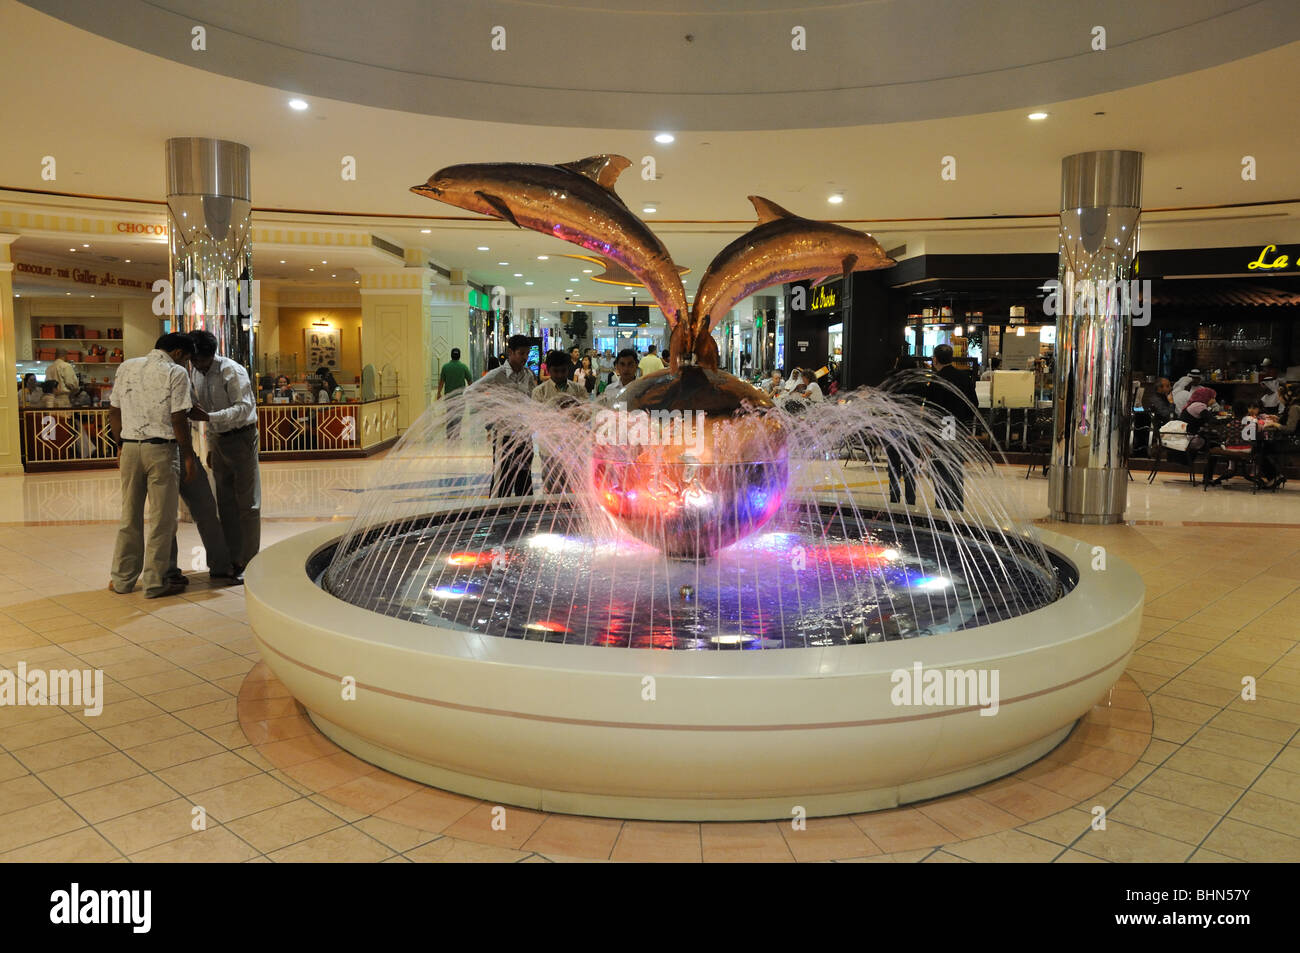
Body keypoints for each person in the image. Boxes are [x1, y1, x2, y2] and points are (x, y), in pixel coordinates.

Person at [106, 333, 199, 599]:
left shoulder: (127, 366)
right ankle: (155, 582)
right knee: (162, 520)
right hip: (161, 450)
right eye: (188, 358)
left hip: (130, 448)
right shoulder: (175, 372)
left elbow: (114, 410)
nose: (187, 364)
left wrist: (121, 444)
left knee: (129, 516)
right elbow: (178, 417)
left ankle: (122, 579)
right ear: (179, 353)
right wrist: (188, 454)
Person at [188, 329, 260, 575]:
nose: (196, 364)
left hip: (242, 437)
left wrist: (210, 417)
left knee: (247, 504)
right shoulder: (195, 372)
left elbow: (243, 408)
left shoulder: (231, 371)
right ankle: (232, 557)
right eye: (193, 360)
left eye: (200, 360)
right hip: (219, 438)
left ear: (211, 354)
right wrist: (210, 444)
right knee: (225, 502)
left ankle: (249, 562)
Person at [466, 334, 536, 497]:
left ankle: (524, 514)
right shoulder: (497, 374)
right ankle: (497, 515)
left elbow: (531, 399)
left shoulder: (528, 375)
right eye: (521, 354)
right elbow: (469, 392)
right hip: (504, 434)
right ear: (510, 352)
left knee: (524, 478)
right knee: (502, 478)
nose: (525, 358)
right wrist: (492, 412)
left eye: (527, 354)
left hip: (524, 434)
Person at [923, 344, 979, 511]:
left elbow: (931, 409)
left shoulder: (936, 380)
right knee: (955, 465)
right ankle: (957, 505)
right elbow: (974, 404)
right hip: (959, 427)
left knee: (940, 466)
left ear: (935, 359)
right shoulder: (964, 377)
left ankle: (943, 506)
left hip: (943, 426)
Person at [531, 351, 585, 494]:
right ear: (548, 370)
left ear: (568, 369)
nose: (560, 375)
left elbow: (586, 415)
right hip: (550, 448)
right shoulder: (539, 392)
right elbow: (538, 418)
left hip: (573, 447)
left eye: (563, 371)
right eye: (556, 371)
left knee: (574, 487)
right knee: (551, 489)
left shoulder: (578, 390)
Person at [437, 347, 473, 439]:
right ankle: (456, 435)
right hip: (461, 397)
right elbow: (470, 381)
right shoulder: (463, 367)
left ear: (451, 355)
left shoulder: (445, 367)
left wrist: (438, 392)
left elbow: (441, 381)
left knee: (449, 416)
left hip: (449, 397)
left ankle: (449, 435)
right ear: (459, 356)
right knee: (458, 416)